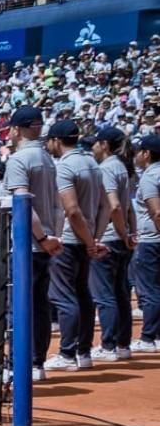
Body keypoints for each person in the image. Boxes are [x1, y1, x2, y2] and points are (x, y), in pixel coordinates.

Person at [0, 106, 64, 381]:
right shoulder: (49, 159)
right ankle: (36, 363)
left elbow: (23, 205)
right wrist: (52, 237)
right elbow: (59, 205)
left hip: (28, 244)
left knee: (18, 308)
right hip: (45, 243)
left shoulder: (19, 159)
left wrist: (42, 237)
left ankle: (17, 365)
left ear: (17, 129)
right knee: (39, 306)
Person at [44, 119, 110, 373]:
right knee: (82, 293)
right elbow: (108, 206)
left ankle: (68, 354)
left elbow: (72, 210)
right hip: (85, 239)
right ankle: (83, 352)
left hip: (70, 240)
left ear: (57, 141)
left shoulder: (64, 167)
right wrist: (94, 238)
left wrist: (90, 240)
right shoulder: (93, 163)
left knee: (64, 296)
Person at [85, 127, 137, 362]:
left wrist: (121, 231)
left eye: (96, 143)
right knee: (121, 293)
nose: (93, 147)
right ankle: (123, 345)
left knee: (105, 295)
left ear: (104, 144)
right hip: (120, 237)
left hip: (108, 237)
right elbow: (127, 207)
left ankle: (108, 346)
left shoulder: (106, 168)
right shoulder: (121, 167)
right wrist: (129, 232)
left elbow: (114, 206)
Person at [130, 135, 160, 354]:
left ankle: (149, 337)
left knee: (149, 290)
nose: (137, 155)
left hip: (152, 240)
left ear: (146, 154)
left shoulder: (150, 176)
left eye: (139, 151)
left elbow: (157, 211)